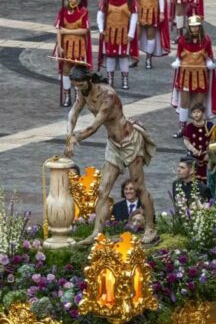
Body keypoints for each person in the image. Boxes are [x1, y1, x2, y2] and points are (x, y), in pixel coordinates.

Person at [65, 66, 159, 243]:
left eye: (81, 85)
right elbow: (74, 112)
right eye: (75, 86)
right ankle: (97, 232)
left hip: (130, 141)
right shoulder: (83, 92)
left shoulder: (108, 95)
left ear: (90, 80)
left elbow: (95, 125)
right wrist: (69, 134)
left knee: (139, 188)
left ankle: (150, 229)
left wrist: (75, 139)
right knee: (102, 190)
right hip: (114, 144)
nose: (78, 89)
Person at [171, 16, 216, 137]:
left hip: (200, 76)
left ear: (200, 26)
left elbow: (208, 56)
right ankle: (182, 127)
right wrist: (177, 62)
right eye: (192, 27)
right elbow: (179, 56)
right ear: (189, 28)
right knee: (184, 102)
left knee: (199, 103)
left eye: (196, 26)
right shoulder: (182, 40)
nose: (194, 29)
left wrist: (209, 63)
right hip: (186, 75)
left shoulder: (206, 40)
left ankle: (197, 127)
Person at [95, 0, 138, 90]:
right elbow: (100, 15)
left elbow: (134, 15)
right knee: (110, 56)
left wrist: (131, 32)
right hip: (109, 33)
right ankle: (110, 79)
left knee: (123, 56)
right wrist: (101, 29)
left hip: (124, 32)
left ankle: (125, 79)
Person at [55, 0, 93, 107]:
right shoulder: (63, 11)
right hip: (66, 45)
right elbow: (58, 29)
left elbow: (85, 30)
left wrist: (68, 30)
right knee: (65, 70)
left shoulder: (83, 12)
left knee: (78, 72)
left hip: (78, 45)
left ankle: (78, 96)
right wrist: (59, 46)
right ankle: (67, 96)